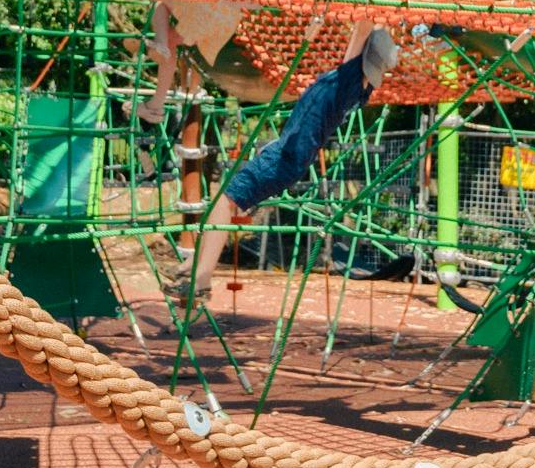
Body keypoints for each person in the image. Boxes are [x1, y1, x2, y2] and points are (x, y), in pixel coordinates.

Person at [160, 25, 401, 306]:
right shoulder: (357, 87)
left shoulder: (345, 80)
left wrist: (369, 14)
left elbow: (361, 25)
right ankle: (191, 268)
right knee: (224, 203)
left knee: (225, 202)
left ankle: (201, 280)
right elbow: (357, 41)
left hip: (284, 158)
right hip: (289, 157)